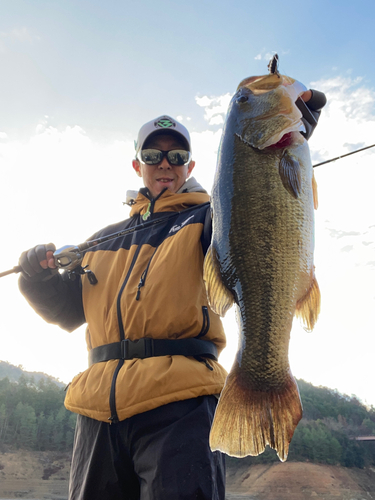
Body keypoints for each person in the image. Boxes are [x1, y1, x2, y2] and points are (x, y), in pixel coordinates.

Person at [18, 90, 326, 500]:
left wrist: (294, 132)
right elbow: (66, 312)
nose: (165, 164)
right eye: (153, 156)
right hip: (96, 414)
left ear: (190, 166)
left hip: (180, 407)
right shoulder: (103, 240)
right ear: (137, 165)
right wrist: (34, 279)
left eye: (177, 156)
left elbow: (259, 214)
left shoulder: (210, 217)